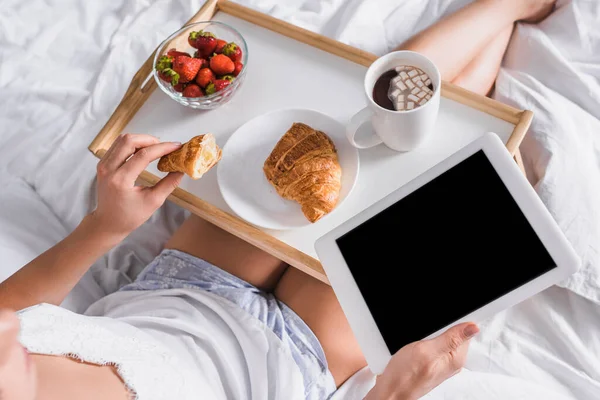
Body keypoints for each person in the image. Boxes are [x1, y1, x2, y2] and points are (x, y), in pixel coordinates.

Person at [0, 0, 555, 399]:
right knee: (430, 180)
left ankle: (505, 6)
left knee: (357, 131)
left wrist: (105, 226)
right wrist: (395, 396)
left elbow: (9, 308)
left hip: (184, 291)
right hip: (294, 369)